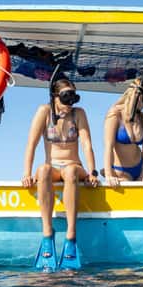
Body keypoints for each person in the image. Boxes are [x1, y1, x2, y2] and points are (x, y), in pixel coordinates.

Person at [22, 77, 98, 266]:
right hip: (53, 167)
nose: (70, 104)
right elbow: (31, 144)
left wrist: (92, 172)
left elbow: (86, 144)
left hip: (74, 166)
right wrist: (27, 173)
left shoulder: (78, 113)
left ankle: (71, 235)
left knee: (71, 171)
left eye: (73, 98)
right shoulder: (44, 112)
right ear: (55, 96)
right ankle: (48, 233)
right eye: (66, 98)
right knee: (43, 171)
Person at [103, 77, 143, 187]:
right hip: (121, 170)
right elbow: (108, 146)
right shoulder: (115, 113)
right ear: (138, 95)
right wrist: (109, 174)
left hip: (141, 168)